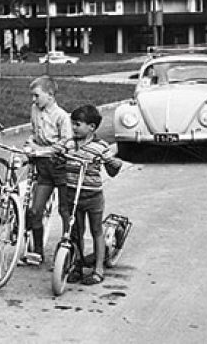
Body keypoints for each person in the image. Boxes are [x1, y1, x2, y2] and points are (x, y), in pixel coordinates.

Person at [50, 105, 125, 286]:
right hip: (71, 194)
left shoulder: (100, 147)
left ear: (91, 127)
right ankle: (76, 265)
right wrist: (57, 155)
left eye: (77, 124)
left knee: (96, 230)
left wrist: (113, 162)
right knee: (75, 231)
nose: (74, 128)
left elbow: (113, 168)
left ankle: (98, 268)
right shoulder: (67, 144)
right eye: (72, 124)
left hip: (92, 196)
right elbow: (56, 160)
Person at [21, 75, 72, 266]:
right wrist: (30, 144)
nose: (34, 100)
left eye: (36, 96)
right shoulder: (35, 110)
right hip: (43, 170)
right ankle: (37, 251)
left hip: (60, 167)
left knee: (66, 210)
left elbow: (66, 143)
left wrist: (41, 150)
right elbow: (34, 133)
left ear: (50, 95)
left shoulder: (62, 116)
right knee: (35, 210)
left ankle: (67, 250)